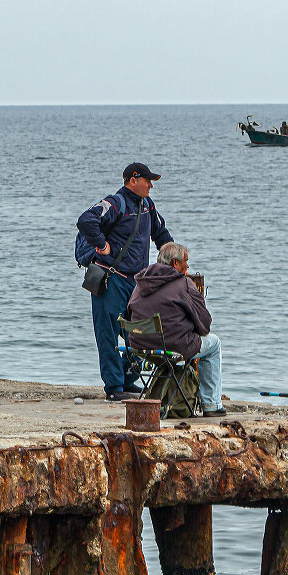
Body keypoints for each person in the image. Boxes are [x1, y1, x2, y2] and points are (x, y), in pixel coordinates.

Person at [76, 162, 173, 401]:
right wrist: (101, 245)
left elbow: (161, 235)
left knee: (140, 335)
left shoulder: (148, 205)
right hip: (110, 280)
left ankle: (128, 381)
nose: (151, 185)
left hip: (136, 283)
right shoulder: (115, 203)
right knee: (108, 334)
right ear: (133, 180)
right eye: (147, 181)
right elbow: (86, 220)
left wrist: (175, 261)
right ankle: (114, 389)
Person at [127, 243, 225, 417]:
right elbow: (205, 324)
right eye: (185, 261)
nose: (187, 266)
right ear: (175, 263)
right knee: (214, 343)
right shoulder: (184, 283)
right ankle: (211, 405)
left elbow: (129, 313)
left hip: (142, 349)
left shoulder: (140, 283)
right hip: (174, 348)